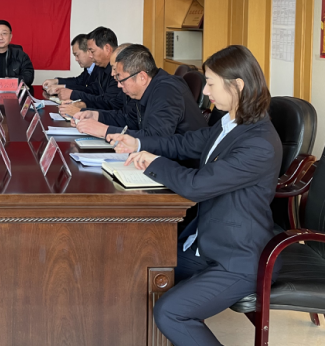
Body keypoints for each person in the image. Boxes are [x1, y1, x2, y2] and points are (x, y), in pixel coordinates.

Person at [107, 45, 282, 346]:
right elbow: (186, 143)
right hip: (206, 242)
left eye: (211, 83)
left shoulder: (259, 143)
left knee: (171, 312)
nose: (206, 91)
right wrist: (138, 143)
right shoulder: (230, 123)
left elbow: (197, 185)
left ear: (237, 85)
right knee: (136, 262)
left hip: (238, 257)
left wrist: (153, 163)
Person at [72, 44, 206, 140]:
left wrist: (104, 131)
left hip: (185, 165)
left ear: (142, 77)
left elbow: (155, 138)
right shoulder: (146, 89)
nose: (118, 85)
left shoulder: (166, 91)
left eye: (121, 79)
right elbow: (130, 120)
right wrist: (96, 116)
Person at [57, 27, 123, 110]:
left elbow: (108, 103)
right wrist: (79, 102)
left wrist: (79, 100)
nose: (90, 56)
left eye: (92, 51)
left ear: (107, 49)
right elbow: (93, 91)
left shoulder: (120, 70)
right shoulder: (101, 68)